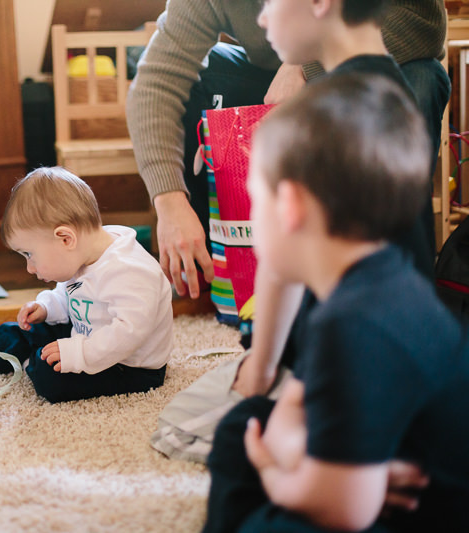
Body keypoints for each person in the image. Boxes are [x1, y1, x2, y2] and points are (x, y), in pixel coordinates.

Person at [150, 0, 450, 466]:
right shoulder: (394, 105)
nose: (261, 18)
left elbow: (281, 269)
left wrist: (261, 375)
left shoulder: (304, 137)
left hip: (348, 368)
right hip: (414, 360)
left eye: (270, 4)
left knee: (232, 446)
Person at [203, 73, 469, 533]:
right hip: (372, 465)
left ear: (290, 207)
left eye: (254, 200)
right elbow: (302, 402)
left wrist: (275, 470)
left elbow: (343, 509)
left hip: (413, 512)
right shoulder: (381, 282)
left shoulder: (353, 323)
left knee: (270, 518)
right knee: (240, 428)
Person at [126, 0, 448, 301]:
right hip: (273, 75)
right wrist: (169, 200)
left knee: (422, 78)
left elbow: (424, 22)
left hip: (350, 64)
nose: (259, 18)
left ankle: (391, 278)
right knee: (198, 77)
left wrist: (305, 68)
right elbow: (155, 81)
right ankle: (215, 277)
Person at [0, 167, 173, 403]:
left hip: (128, 364)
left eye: (29, 254)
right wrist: (47, 308)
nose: (30, 268)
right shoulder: (81, 254)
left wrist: (78, 353)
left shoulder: (131, 271)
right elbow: (69, 294)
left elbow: (128, 334)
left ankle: (31, 361)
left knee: (50, 378)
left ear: (65, 238)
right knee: (16, 332)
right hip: (85, 331)